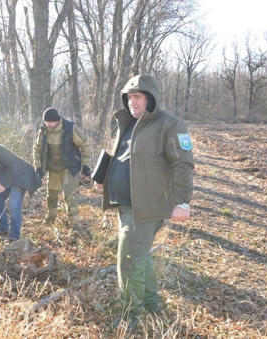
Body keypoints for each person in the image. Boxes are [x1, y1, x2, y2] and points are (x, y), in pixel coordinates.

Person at [95, 74, 194, 329]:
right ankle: (150, 304)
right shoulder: (127, 123)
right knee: (140, 257)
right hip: (124, 204)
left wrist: (183, 202)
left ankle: (130, 315)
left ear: (150, 98)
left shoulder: (170, 125)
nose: (132, 102)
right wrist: (103, 177)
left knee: (128, 259)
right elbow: (120, 155)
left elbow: (183, 163)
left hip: (146, 208)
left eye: (137, 97)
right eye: (129, 97)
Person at [33, 107, 92, 230]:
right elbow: (37, 149)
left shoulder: (70, 128)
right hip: (53, 167)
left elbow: (85, 145)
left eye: (50, 122)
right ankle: (51, 216)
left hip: (69, 167)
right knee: (51, 194)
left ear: (57, 120)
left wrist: (86, 165)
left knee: (69, 194)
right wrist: (38, 167)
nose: (48, 124)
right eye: (46, 122)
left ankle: (74, 225)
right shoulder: (43, 130)